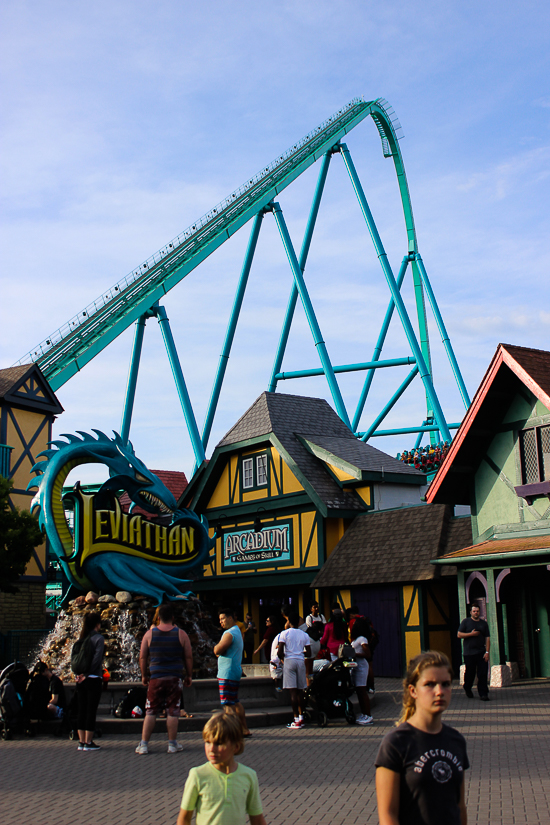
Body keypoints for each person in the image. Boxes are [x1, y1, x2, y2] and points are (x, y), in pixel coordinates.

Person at [375, 651, 468, 825]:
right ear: (413, 690)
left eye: (446, 684)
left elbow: (460, 806)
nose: (439, 691)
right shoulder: (396, 743)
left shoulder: (456, 740)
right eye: (430, 685)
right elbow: (388, 814)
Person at [176, 709, 267, 825]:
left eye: (219, 744)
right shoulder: (198, 775)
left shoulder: (248, 776)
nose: (211, 749)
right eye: (207, 742)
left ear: (236, 747)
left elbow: (257, 819)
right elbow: (184, 818)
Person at [136, 603, 193, 755]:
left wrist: (144, 675)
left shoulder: (150, 634)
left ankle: (144, 745)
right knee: (173, 711)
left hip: (156, 678)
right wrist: (189, 675)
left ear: (159, 617)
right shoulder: (181, 634)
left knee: (151, 711)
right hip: (175, 677)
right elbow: (188, 656)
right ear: (172, 617)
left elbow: (142, 656)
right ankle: (172, 745)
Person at [214, 607, 251, 736]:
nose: (221, 622)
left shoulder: (229, 634)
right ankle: (244, 729)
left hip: (227, 673)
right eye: (219, 619)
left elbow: (217, 650)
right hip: (234, 671)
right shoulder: (237, 632)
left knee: (228, 704)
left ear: (230, 618)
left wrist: (216, 648)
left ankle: (233, 731)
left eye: (223, 619)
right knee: (235, 701)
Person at [74, 611, 105, 752]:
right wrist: (88, 674)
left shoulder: (81, 638)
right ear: (97, 624)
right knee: (91, 710)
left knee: (81, 709)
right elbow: (97, 659)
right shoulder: (98, 639)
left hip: (80, 679)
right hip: (93, 678)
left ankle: (81, 741)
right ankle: (89, 741)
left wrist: (79, 675)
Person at [277, 612, 311, 729]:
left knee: (292, 692)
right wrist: (300, 653)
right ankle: (302, 717)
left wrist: (284, 658)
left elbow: (279, 651)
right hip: (300, 661)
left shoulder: (284, 634)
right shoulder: (304, 635)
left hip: (289, 661)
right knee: (300, 690)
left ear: (289, 622)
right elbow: (309, 653)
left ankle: (295, 718)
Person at [457, 604, 490, 701]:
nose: (476, 613)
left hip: (481, 652)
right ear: (470, 612)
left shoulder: (483, 624)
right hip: (469, 653)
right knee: (470, 673)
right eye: (474, 611)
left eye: (477, 611)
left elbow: (487, 638)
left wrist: (487, 652)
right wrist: (471, 634)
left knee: (482, 673)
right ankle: (467, 687)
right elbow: (459, 634)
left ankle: (483, 693)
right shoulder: (466, 622)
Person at [350, 618, 373, 725]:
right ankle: (364, 713)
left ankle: (368, 715)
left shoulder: (362, 639)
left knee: (362, 691)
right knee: (359, 692)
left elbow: (367, 654)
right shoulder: (356, 639)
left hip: (361, 666)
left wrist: (355, 654)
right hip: (356, 666)